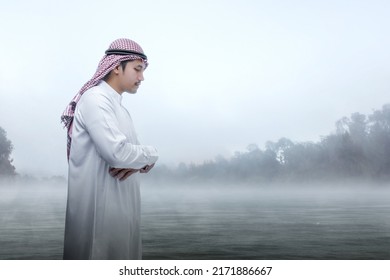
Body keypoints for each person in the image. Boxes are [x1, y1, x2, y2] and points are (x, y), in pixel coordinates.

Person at [60, 38, 158, 260]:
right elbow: (117, 153)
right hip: (98, 221)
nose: (142, 77)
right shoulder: (95, 99)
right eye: (137, 69)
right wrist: (151, 155)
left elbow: (131, 156)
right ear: (116, 66)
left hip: (122, 216)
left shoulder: (120, 109)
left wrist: (140, 160)